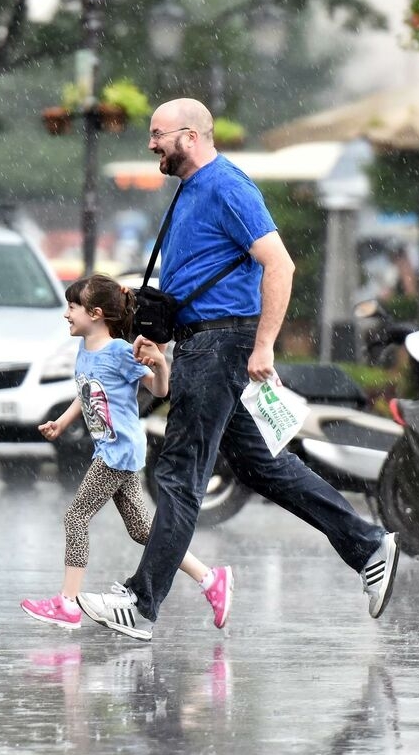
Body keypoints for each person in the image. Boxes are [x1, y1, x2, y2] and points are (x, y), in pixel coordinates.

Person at [76, 99, 399, 642]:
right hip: (203, 343)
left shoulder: (228, 185)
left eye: (158, 135)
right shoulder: (190, 191)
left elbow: (280, 263)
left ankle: (141, 602)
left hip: (222, 346)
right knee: (264, 468)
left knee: (178, 474)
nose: (151, 144)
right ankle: (368, 545)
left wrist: (264, 346)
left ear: (191, 136)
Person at [20, 274, 234, 631]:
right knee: (141, 530)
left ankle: (68, 604)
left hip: (118, 453)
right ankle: (210, 579)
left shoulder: (120, 351)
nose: (66, 314)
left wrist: (161, 363)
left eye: (73, 307)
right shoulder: (85, 349)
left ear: (97, 313)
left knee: (75, 519)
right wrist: (62, 421)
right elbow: (86, 391)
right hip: (112, 450)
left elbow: (160, 390)